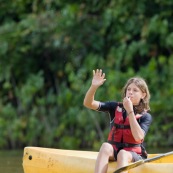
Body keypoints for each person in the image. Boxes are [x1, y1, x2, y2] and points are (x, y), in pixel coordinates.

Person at [83, 69, 152, 173]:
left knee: (123, 154)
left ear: (143, 95)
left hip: (134, 154)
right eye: (128, 89)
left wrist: (130, 111)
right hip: (114, 151)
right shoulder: (114, 107)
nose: (130, 92)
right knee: (105, 146)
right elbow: (88, 103)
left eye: (135, 90)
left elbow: (138, 137)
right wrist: (94, 87)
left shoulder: (146, 116)